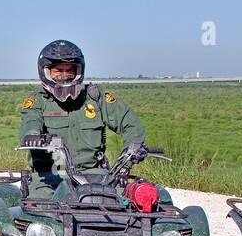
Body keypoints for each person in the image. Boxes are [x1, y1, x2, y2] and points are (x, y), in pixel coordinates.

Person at [18, 40, 146, 198]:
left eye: (70, 70)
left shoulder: (96, 97)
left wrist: (131, 152)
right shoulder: (37, 101)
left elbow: (130, 123)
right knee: (39, 209)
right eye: (58, 70)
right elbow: (30, 123)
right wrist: (33, 137)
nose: (64, 75)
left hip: (97, 175)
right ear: (46, 71)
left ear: (79, 70)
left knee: (133, 203)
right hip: (51, 178)